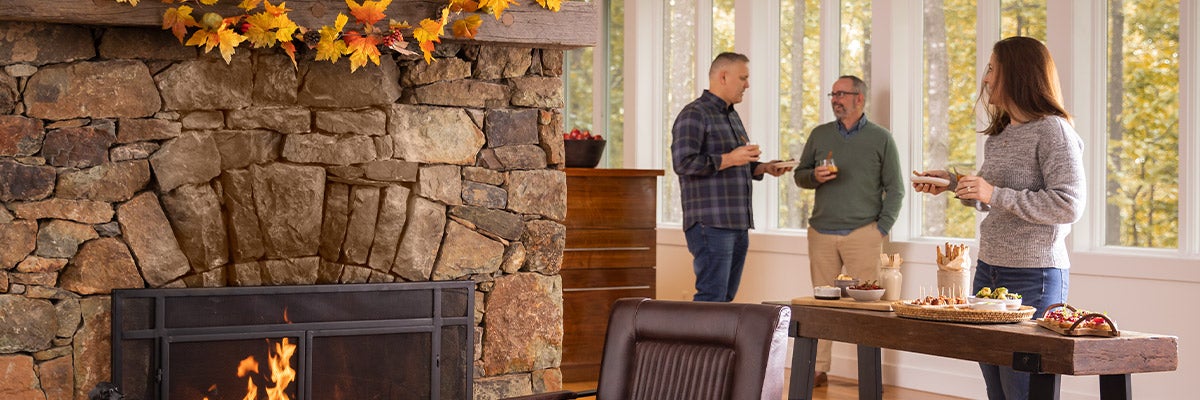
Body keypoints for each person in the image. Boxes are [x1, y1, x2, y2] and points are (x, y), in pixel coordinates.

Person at [913, 36, 1085, 400]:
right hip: (989, 267)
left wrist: (994, 194)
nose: (985, 77)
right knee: (997, 388)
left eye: (992, 68)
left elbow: (1068, 204)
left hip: (1033, 275)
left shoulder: (1054, 131)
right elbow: (994, 196)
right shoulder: (1002, 133)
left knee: (1022, 389)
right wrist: (953, 184)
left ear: (1017, 74)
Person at [793, 75, 904, 386]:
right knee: (821, 306)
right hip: (821, 232)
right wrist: (813, 175)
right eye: (833, 93)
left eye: (842, 94)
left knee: (868, 309)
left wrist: (880, 229)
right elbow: (799, 176)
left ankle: (870, 374)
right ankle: (817, 369)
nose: (835, 99)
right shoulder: (819, 135)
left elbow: (896, 189)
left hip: (863, 234)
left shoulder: (881, 138)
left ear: (859, 99)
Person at [671, 52, 793, 303]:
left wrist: (763, 168)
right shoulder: (694, 114)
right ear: (723, 76)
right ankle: (699, 345)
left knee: (725, 299)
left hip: (737, 223)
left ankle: (716, 344)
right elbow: (683, 164)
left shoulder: (731, 115)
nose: (747, 85)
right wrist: (730, 158)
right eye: (743, 78)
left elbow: (734, 165)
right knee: (711, 296)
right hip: (710, 223)